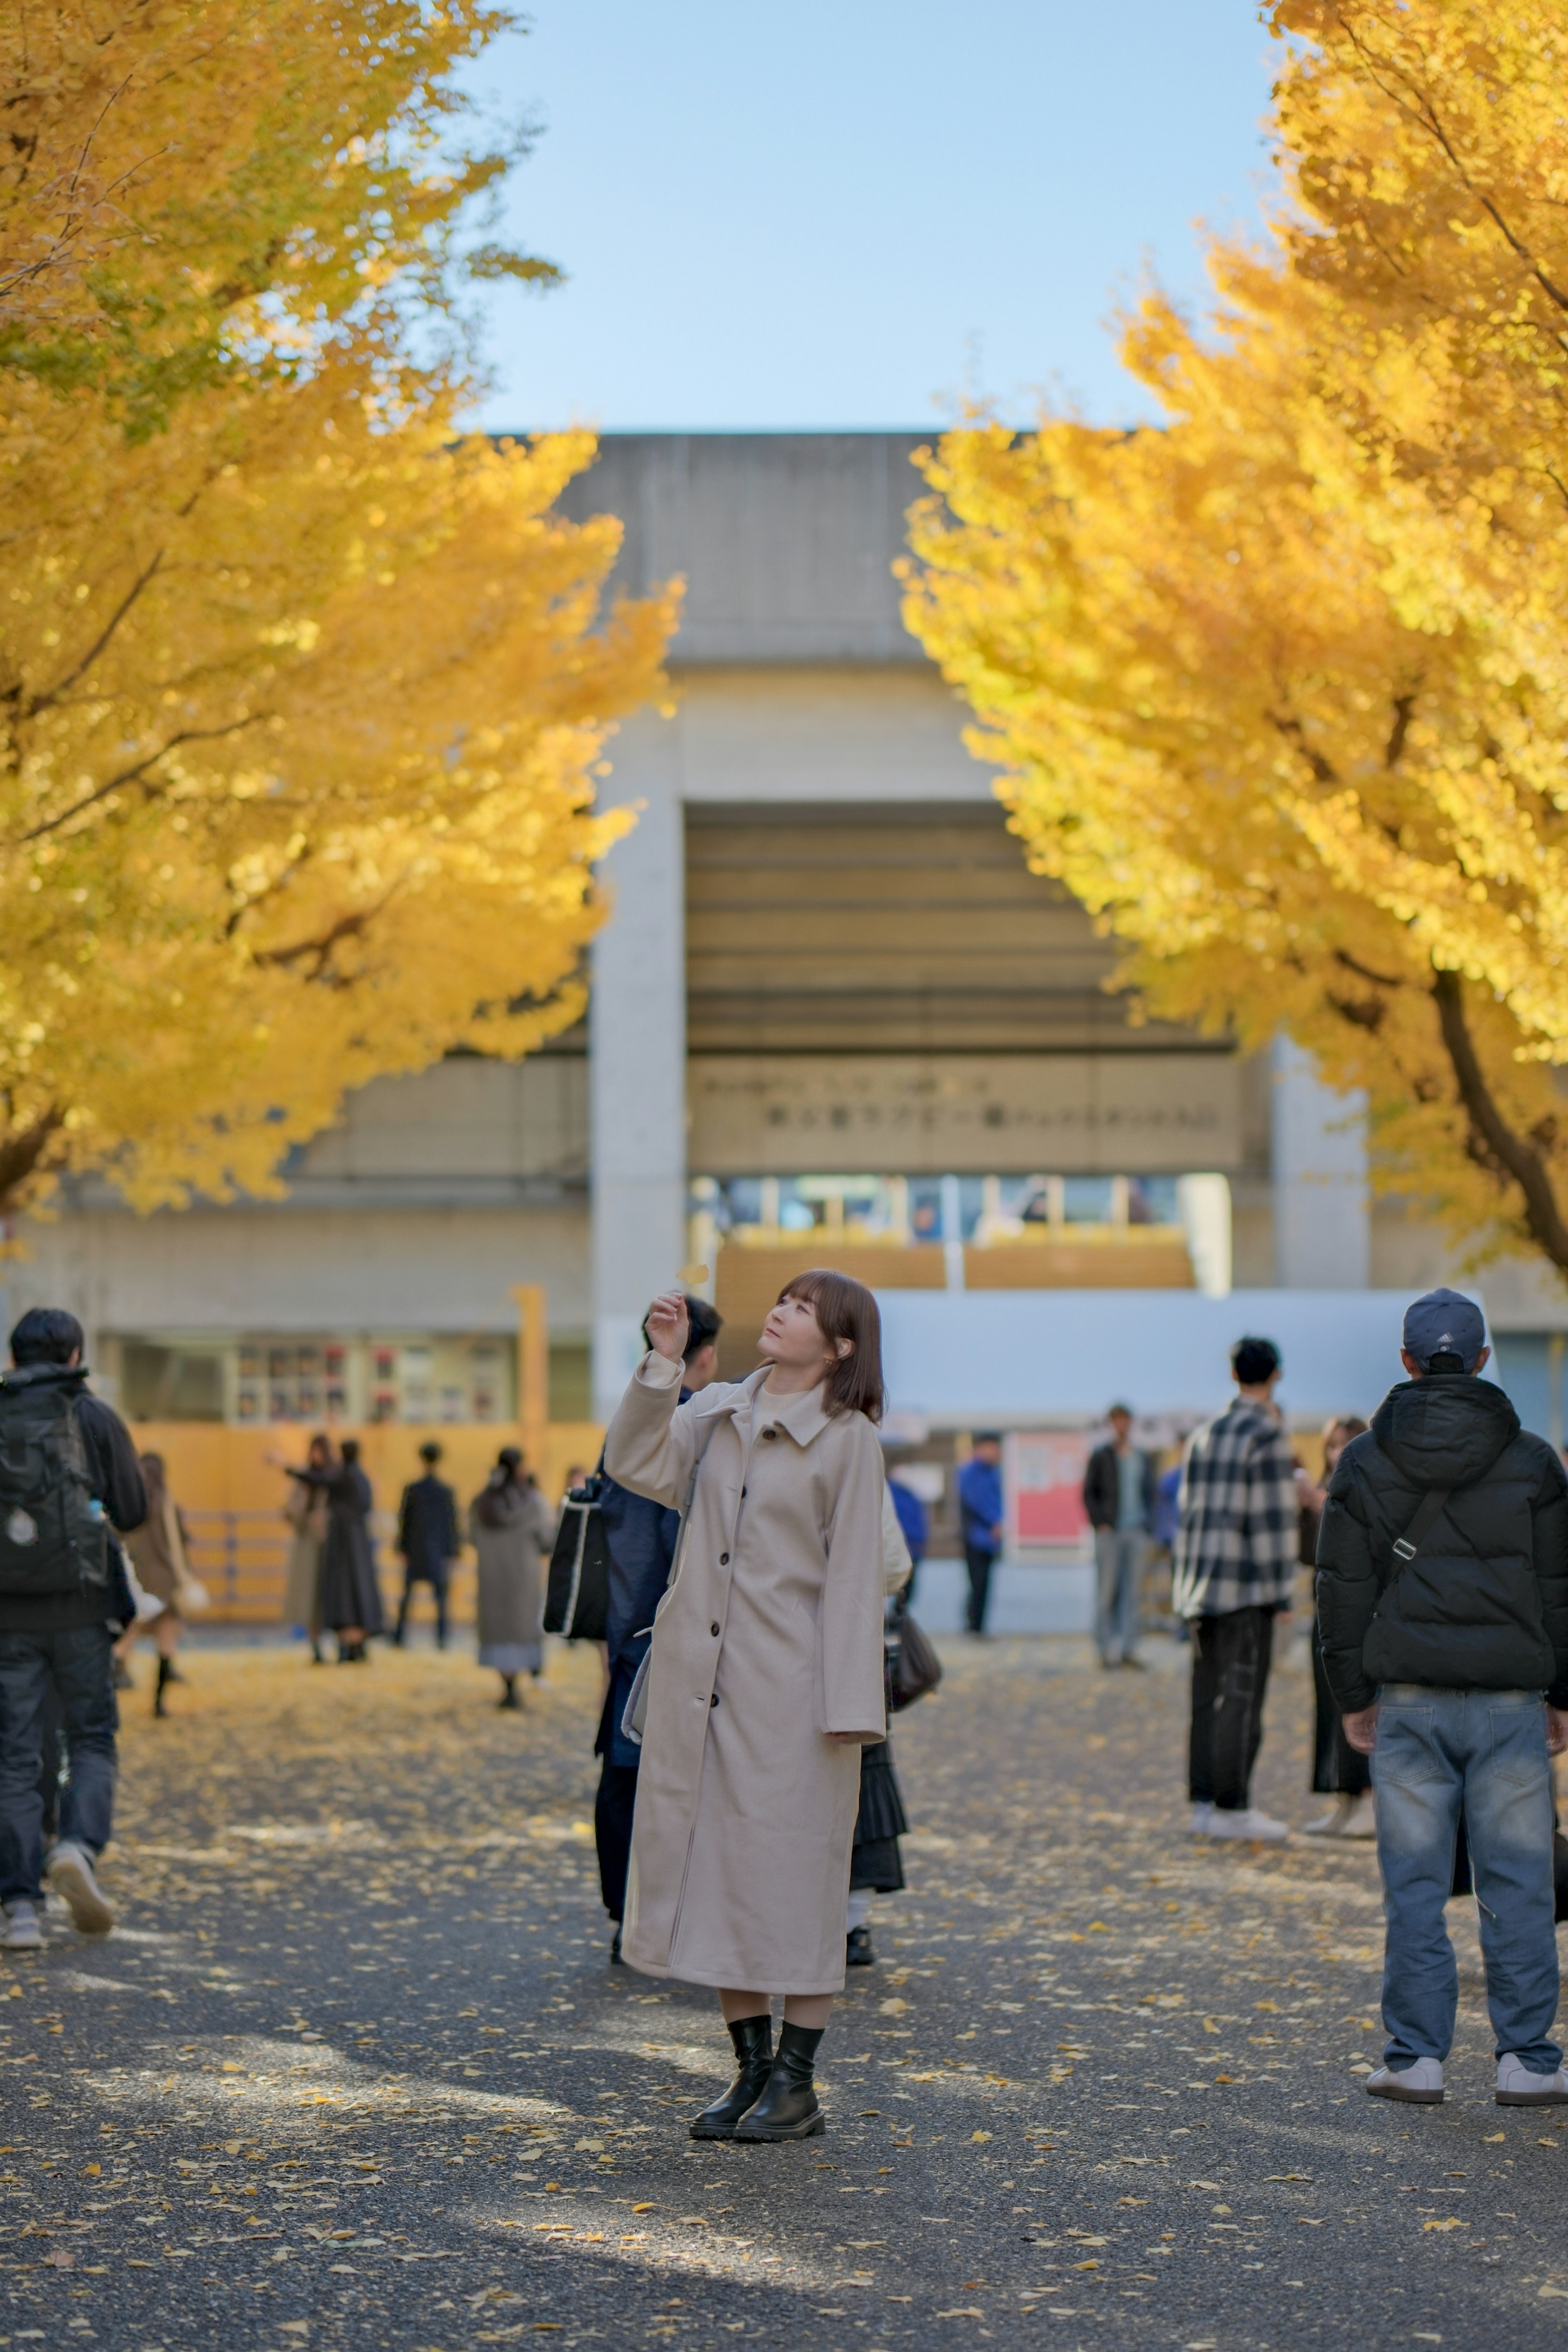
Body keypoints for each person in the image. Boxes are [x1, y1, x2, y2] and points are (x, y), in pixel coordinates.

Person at [605, 1269, 887, 2144]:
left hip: (796, 1697)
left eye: (804, 1307)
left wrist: (849, 1708)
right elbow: (636, 1462)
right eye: (785, 1298)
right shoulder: (719, 1407)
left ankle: (798, 2081)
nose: (782, 1310)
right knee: (719, 1874)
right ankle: (753, 2071)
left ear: (841, 1345)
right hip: (705, 1690)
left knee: (799, 1884)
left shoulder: (849, 1440)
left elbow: (855, 1582)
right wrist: (661, 1366)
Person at [1318, 1288, 1568, 2108]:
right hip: (1511, 1700)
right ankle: (1527, 2059)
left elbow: (1342, 1592)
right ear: (1486, 1359)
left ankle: (1416, 2055)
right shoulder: (1535, 1460)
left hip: (1409, 1698)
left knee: (1416, 1885)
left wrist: (1353, 1694)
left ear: (1407, 1362)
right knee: (1521, 1881)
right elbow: (1562, 1590)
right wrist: (1561, 1693)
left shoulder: (1361, 1461)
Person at [0, 1307, 146, 1950]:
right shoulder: (92, 1414)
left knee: (13, 1750)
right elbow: (134, 1510)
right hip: (83, 1606)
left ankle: (19, 1906)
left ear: (13, 1357)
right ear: (74, 1355)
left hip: (7, 1613)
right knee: (90, 1734)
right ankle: (79, 1847)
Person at [596, 1296, 723, 1962]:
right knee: (672, 1778)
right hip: (670, 1622)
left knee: (624, 1772)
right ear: (703, 1357)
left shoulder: (632, 1429)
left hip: (624, 1620)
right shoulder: (700, 1430)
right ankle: (664, 1919)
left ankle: (627, 1914)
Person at [1172, 1335, 1297, 1842]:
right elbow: (1273, 1521)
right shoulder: (1266, 1435)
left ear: (1232, 1374)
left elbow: (1187, 1514)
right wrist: (1284, 1591)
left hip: (1201, 1585)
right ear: (1275, 1375)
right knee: (1242, 1699)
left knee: (1206, 1697)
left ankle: (1203, 1803)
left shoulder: (1203, 1434)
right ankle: (1233, 1805)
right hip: (1247, 1587)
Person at [846, 1487, 917, 1967]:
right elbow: (894, 1566)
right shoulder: (857, 1446)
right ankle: (854, 1922)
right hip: (853, 1640)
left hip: (772, 1647)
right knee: (863, 1770)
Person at [1297, 1415, 1372, 1836]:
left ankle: (1367, 1797)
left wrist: (1320, 1503)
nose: (1336, 1452)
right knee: (1328, 1707)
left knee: (1356, 1702)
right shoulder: (1322, 1492)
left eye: (1346, 1443)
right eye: (1331, 1445)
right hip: (1325, 1611)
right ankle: (1342, 1797)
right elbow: (1309, 1555)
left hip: (1358, 1613)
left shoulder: (1369, 1486)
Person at [277, 1436, 383, 1661]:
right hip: (350, 1543)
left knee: (345, 1594)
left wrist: (283, 1466)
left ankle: (350, 1645)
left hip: (342, 1544)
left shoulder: (343, 1477)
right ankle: (348, 1646)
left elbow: (315, 1481)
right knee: (347, 1594)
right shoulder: (359, 1478)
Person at [470, 1447, 554, 1708]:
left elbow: (471, 1537)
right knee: (521, 1628)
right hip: (524, 1579)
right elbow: (547, 1540)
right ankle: (519, 1683)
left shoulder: (481, 1503)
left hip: (492, 1577)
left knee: (498, 1629)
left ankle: (507, 1687)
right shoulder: (533, 1501)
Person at [120, 1452, 194, 1717]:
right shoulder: (167, 1504)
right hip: (165, 1580)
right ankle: (159, 1703)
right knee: (166, 1639)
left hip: (136, 1579)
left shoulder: (129, 1504)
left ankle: (110, 1683)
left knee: (128, 1635)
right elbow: (180, 1543)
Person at [1082, 1403, 1156, 1670]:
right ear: (1111, 1423)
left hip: (1136, 1531)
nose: (1121, 1425)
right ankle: (1104, 1648)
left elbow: (1150, 1492)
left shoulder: (1141, 1456)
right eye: (1117, 1420)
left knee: (1133, 1593)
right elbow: (1088, 1493)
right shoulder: (1102, 1456)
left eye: (1125, 1420)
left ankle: (1128, 1648)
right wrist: (1100, 1522)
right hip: (1110, 1532)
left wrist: (1150, 1525)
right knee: (1107, 1591)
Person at [393, 1441, 460, 1650]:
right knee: (440, 1598)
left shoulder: (413, 1489)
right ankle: (441, 1638)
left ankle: (400, 1636)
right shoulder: (445, 1491)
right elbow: (452, 1523)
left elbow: (404, 1521)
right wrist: (452, 1551)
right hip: (437, 1551)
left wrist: (402, 1548)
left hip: (415, 1549)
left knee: (408, 1596)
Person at [282, 1432, 334, 1660]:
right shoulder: (304, 1481)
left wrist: (325, 1518)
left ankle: (338, 1644)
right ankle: (316, 1646)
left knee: (329, 1594)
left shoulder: (333, 1478)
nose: (316, 1456)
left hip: (329, 1544)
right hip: (308, 1544)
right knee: (309, 1596)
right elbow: (292, 1509)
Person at [956, 1434, 1004, 1635]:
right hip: (975, 1537)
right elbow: (975, 1501)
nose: (997, 1453)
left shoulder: (992, 1472)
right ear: (982, 1448)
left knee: (984, 1585)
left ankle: (978, 1627)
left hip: (990, 1539)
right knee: (977, 1583)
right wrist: (994, 1521)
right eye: (994, 1448)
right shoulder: (970, 1472)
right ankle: (973, 1627)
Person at [885, 1467, 929, 1606]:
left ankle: (897, 1616)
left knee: (908, 1586)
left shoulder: (911, 1495)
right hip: (900, 1544)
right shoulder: (891, 1493)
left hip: (913, 1547)